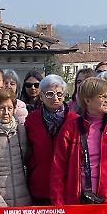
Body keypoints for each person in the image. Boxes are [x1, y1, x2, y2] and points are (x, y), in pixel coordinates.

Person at [51, 76, 107, 207]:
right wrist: (59, 204)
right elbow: (58, 169)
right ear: (88, 100)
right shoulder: (70, 128)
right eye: (102, 96)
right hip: (77, 202)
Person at [24, 74, 69, 205]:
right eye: (50, 94)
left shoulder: (73, 120)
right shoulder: (32, 120)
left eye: (59, 94)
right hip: (40, 183)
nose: (55, 98)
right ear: (41, 96)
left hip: (67, 184)